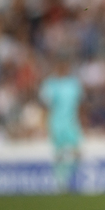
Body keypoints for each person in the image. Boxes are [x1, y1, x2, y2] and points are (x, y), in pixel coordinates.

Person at [39, 58, 84, 193]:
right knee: (58, 154)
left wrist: (82, 122)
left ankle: (70, 180)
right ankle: (60, 183)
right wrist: (43, 125)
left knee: (77, 153)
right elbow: (45, 107)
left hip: (72, 123)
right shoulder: (50, 84)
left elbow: (80, 106)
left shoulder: (74, 83)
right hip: (56, 124)